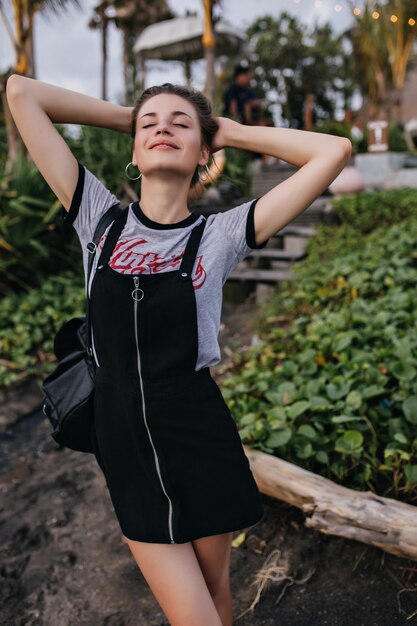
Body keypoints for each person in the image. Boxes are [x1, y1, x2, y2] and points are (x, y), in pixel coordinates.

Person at [6, 75, 351, 626]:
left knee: (216, 595)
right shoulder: (97, 215)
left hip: (200, 438)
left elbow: (333, 151)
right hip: (125, 447)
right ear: (133, 151)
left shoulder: (221, 234)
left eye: (180, 125)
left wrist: (228, 131)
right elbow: (23, 94)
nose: (163, 128)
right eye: (150, 125)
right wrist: (135, 116)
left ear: (204, 153)